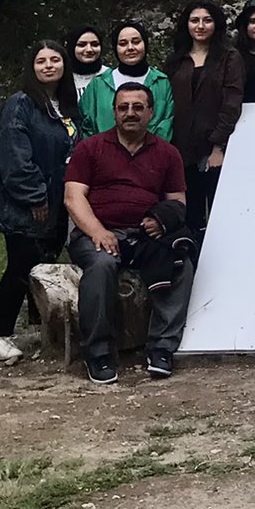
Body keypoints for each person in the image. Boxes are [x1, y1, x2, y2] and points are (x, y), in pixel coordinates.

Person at [62, 82, 193, 384]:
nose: (130, 113)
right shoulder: (90, 148)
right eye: (123, 107)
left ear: (151, 111)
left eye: (137, 107)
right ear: (114, 112)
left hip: (145, 235)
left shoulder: (167, 153)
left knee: (180, 264)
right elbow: (73, 197)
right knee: (102, 265)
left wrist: (161, 219)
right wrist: (97, 231)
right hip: (95, 233)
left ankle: (162, 347)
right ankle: (98, 353)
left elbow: (178, 203)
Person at [0, 40, 79, 363]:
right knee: (20, 266)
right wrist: (34, 195)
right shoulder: (20, 104)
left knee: (45, 265)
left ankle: (42, 332)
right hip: (27, 201)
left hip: (59, 200)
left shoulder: (68, 106)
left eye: (55, 59)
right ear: (32, 67)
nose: (49, 66)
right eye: (41, 61)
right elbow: (13, 156)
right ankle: (2, 336)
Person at [167, 1, 245, 234]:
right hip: (180, 147)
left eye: (207, 20)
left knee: (219, 214)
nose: (200, 26)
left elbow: (232, 102)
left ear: (216, 24)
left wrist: (218, 145)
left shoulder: (230, 57)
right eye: (194, 20)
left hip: (215, 148)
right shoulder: (176, 60)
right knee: (189, 213)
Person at [77, 20, 174, 140]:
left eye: (136, 42)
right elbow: (86, 126)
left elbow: (166, 123)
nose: (130, 48)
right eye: (123, 43)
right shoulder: (99, 84)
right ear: (115, 49)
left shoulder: (161, 82)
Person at [66, 26, 106, 106]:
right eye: (82, 45)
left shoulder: (109, 76)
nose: (89, 50)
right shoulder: (62, 77)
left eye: (94, 44)